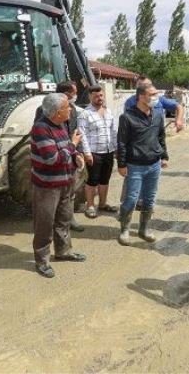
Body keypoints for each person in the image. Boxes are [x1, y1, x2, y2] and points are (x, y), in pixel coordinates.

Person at [30, 93, 87, 278]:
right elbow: (52, 159)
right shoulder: (41, 129)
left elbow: (65, 151)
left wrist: (76, 156)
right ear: (56, 112)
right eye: (67, 107)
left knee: (64, 219)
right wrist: (72, 145)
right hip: (48, 187)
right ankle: (42, 260)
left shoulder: (60, 125)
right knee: (44, 224)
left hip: (66, 182)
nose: (70, 109)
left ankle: (63, 252)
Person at [116, 83, 169, 246]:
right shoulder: (127, 117)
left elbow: (161, 137)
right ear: (140, 96)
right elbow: (122, 143)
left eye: (156, 93)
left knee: (150, 199)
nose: (156, 97)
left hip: (154, 165)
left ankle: (144, 229)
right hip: (135, 166)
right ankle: (125, 230)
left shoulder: (158, 115)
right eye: (152, 94)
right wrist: (122, 164)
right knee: (131, 199)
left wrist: (164, 156)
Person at [34, 81, 88, 232]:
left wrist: (79, 152)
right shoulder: (43, 112)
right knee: (51, 204)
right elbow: (44, 138)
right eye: (74, 92)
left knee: (70, 194)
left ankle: (69, 218)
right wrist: (71, 145)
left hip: (69, 157)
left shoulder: (72, 110)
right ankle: (52, 223)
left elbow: (76, 133)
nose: (75, 96)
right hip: (54, 160)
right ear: (64, 93)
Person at [77, 85, 119, 218]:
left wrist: (116, 148)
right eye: (96, 96)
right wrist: (87, 153)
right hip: (94, 153)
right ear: (90, 97)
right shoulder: (85, 114)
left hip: (108, 151)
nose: (99, 98)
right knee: (92, 180)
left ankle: (102, 204)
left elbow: (113, 132)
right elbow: (82, 135)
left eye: (101, 95)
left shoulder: (108, 112)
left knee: (105, 179)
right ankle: (89, 206)